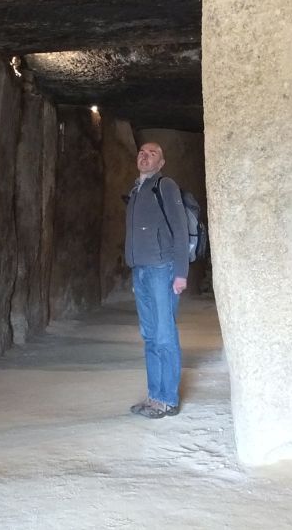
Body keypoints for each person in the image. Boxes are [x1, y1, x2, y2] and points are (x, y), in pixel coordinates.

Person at [125, 142, 189, 419]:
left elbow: (180, 228)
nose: (145, 155)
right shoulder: (137, 189)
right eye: (142, 151)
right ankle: (154, 397)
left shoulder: (166, 185)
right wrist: (135, 270)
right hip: (141, 270)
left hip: (162, 269)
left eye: (152, 153)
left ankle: (168, 399)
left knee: (164, 336)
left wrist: (181, 273)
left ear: (161, 163)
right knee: (150, 336)